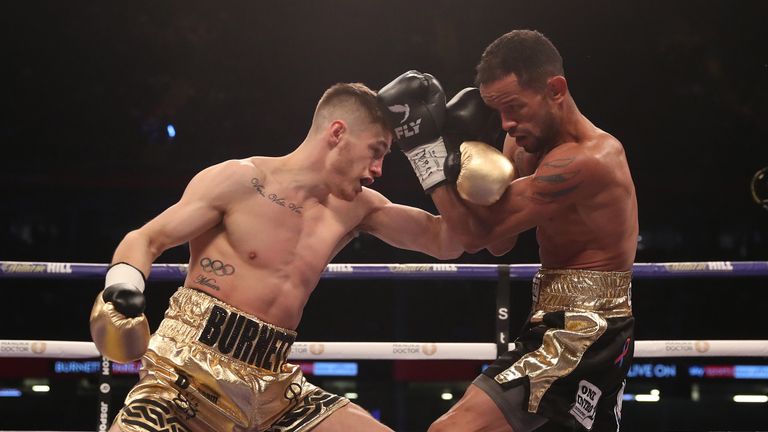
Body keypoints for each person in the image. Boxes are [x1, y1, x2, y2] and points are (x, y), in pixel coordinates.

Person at [89, 82, 466, 432]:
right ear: (337, 134)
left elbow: (448, 241)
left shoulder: (357, 208)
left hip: (274, 389)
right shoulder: (239, 180)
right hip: (184, 376)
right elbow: (145, 238)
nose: (378, 171)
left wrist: (431, 153)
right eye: (376, 151)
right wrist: (124, 287)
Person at [379, 29, 638, 431]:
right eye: (497, 112)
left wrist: (425, 152)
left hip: (586, 328)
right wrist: (463, 157)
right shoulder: (522, 144)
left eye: (514, 107)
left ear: (555, 89)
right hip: (552, 316)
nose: (506, 123)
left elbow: (475, 236)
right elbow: (500, 243)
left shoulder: (590, 159)